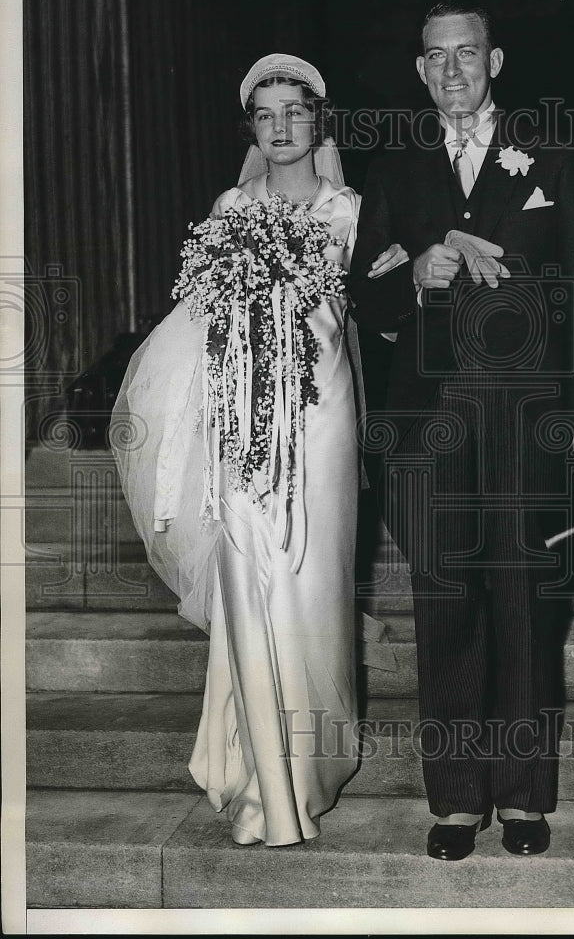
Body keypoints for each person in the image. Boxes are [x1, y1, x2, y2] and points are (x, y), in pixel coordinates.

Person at [112, 54, 403, 847]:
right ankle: (257, 775)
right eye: (265, 114)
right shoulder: (230, 207)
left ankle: (307, 765)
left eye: (294, 112)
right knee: (249, 574)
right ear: (252, 127)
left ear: (319, 121)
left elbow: (371, 314)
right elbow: (201, 321)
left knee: (309, 580)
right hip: (241, 418)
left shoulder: (353, 211)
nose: (279, 128)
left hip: (322, 415)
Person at [348, 3, 574, 860]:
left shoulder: (554, 159)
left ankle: (525, 795)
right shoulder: (392, 170)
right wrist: (414, 278)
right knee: (445, 606)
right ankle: (459, 799)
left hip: (528, 420)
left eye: (467, 53)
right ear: (420, 72)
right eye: (436, 57)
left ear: (494, 60)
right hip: (427, 426)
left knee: (525, 606)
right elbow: (363, 293)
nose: (453, 70)